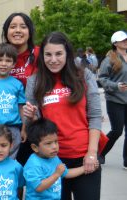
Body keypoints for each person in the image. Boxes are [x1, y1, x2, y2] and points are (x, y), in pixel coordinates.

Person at [24, 32, 102, 200]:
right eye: (48, 54)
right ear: (42, 56)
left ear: (67, 53)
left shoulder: (84, 75)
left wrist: (92, 153)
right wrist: (30, 117)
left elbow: (95, 115)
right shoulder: (35, 81)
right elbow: (35, 126)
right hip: (52, 161)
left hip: (85, 157)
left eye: (59, 54)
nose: (53, 59)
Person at [1, 12, 40, 165]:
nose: (17, 30)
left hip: (35, 124)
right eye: (13, 27)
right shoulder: (2, 57)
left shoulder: (39, 54)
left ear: (29, 31)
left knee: (33, 173)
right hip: (8, 126)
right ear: (6, 32)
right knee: (10, 174)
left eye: (23, 27)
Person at [24, 118, 86, 199]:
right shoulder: (33, 164)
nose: (54, 147)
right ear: (35, 147)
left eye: (56, 141)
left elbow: (65, 173)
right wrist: (56, 174)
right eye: (48, 143)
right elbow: (38, 187)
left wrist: (84, 168)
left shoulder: (54, 157)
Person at [99, 30, 127, 167]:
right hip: (115, 100)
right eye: (123, 40)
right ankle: (100, 152)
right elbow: (102, 79)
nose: (125, 41)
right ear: (115, 43)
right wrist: (116, 86)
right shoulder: (110, 59)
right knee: (117, 130)